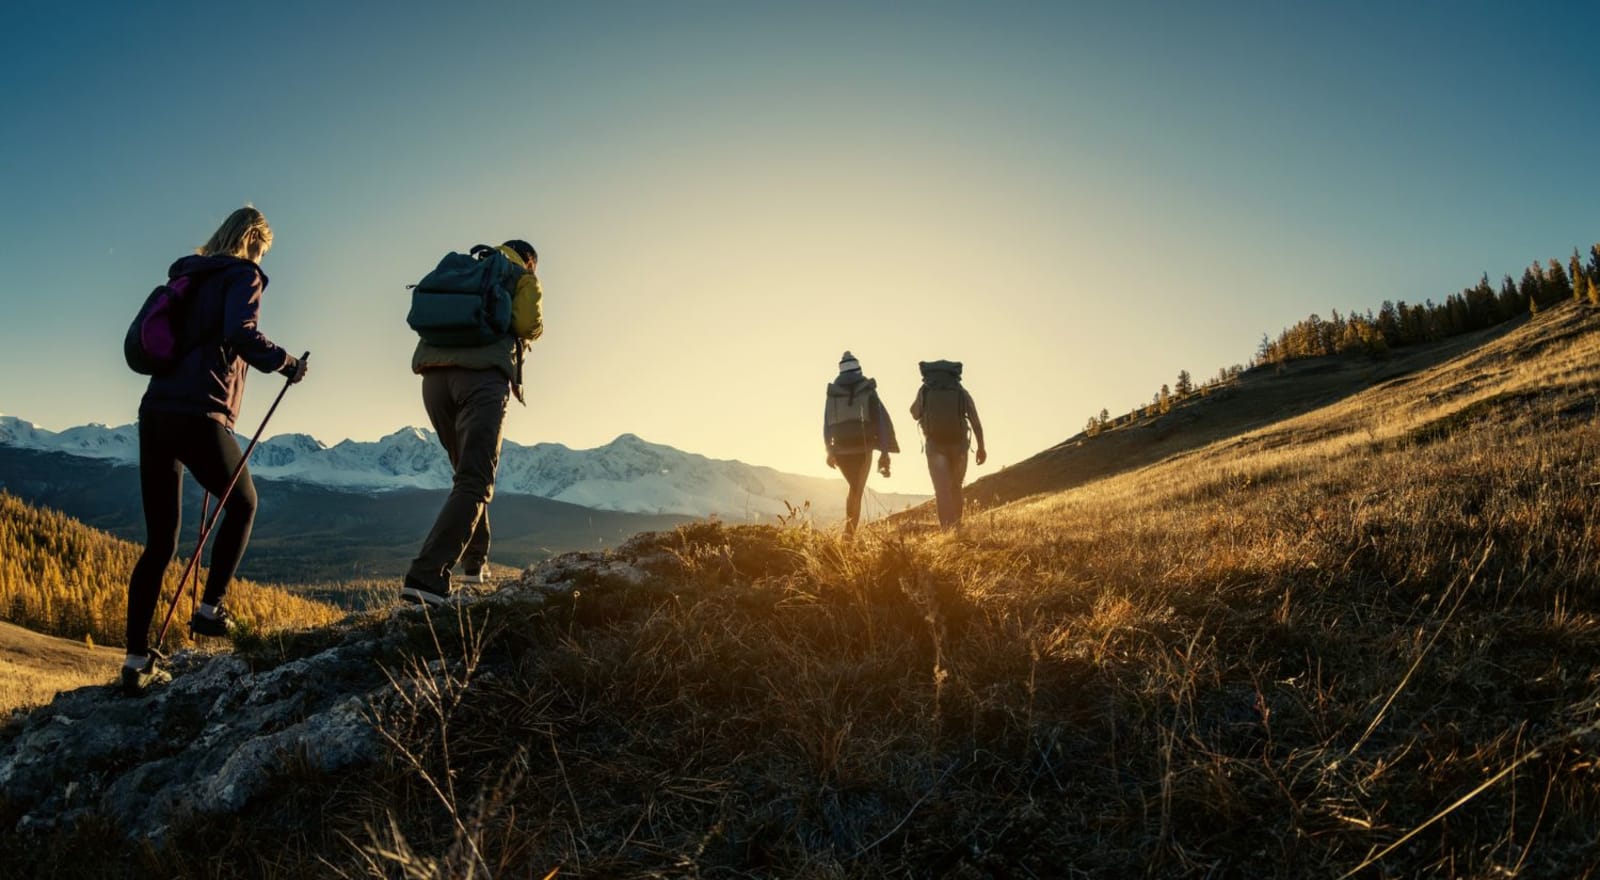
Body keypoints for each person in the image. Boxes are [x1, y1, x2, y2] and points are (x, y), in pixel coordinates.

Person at [122, 206, 309, 695]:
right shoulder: (243, 274)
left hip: (156, 410)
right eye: (262, 248)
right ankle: (210, 610)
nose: (262, 257)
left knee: (160, 542)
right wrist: (286, 363)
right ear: (251, 238)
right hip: (199, 410)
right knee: (244, 502)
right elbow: (240, 334)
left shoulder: (187, 275)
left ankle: (136, 660)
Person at [402, 240, 543, 605]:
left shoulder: (466, 268)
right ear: (530, 262)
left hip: (433, 381)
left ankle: (474, 563)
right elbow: (528, 324)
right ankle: (426, 578)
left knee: (465, 475)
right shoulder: (522, 277)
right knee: (475, 480)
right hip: (481, 380)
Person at [824, 351, 899, 536]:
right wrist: (884, 451)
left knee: (853, 489)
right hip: (863, 448)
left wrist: (829, 450)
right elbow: (880, 420)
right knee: (856, 491)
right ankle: (848, 537)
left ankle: (848, 535)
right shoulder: (867, 390)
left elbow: (826, 423)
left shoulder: (833, 393)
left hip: (840, 449)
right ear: (858, 369)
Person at [909, 360, 986, 529]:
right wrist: (981, 447)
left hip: (935, 445)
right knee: (956, 486)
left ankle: (946, 530)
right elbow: (975, 421)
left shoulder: (925, 390)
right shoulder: (960, 391)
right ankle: (957, 526)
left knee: (941, 489)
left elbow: (914, 413)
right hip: (959, 445)